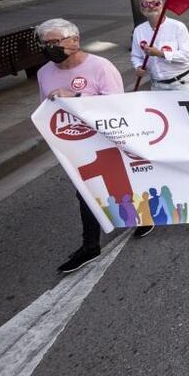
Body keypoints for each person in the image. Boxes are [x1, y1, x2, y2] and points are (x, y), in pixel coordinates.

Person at [37, 18, 138, 273]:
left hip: (107, 142)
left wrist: (79, 98)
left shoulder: (101, 67)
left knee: (122, 183)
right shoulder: (44, 73)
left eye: (55, 42)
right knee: (85, 191)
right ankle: (90, 246)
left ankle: (142, 218)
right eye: (45, 43)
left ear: (75, 40)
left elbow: (117, 106)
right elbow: (46, 110)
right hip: (75, 146)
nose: (50, 48)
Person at [131, 0, 189, 90]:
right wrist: (138, 66)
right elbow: (136, 56)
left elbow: (186, 56)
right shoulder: (138, 30)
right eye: (146, 4)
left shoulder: (178, 27)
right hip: (156, 85)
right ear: (142, 10)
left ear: (162, 5)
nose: (151, 6)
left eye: (155, 3)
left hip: (180, 83)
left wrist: (160, 53)